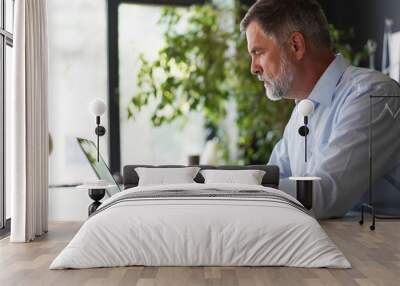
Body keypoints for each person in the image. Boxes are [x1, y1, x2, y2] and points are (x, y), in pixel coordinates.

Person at [240, 0, 400, 218]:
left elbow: (323, 194)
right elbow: (273, 176)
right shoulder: (301, 111)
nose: (253, 68)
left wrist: (239, 190)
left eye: (258, 52)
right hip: (331, 245)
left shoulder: (372, 95)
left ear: (296, 45)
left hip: (377, 249)